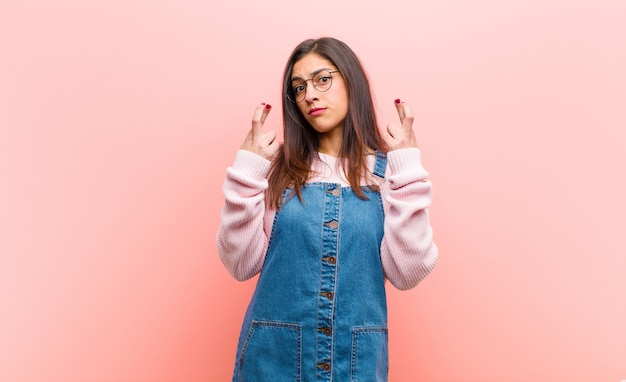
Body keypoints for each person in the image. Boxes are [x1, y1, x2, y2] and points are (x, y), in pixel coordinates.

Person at [216, 37, 438, 381]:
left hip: (355, 363)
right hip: (271, 362)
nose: (310, 95)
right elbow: (240, 264)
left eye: (322, 79)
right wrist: (246, 171)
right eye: (299, 87)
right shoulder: (276, 170)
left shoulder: (388, 173)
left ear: (351, 81)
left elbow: (408, 273)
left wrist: (407, 169)